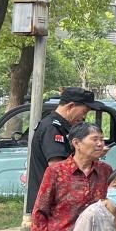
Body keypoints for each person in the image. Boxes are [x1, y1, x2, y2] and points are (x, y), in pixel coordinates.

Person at [26, 86, 94, 214]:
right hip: (51, 205)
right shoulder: (52, 128)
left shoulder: (63, 126)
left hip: (60, 201)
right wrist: (88, 155)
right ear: (71, 106)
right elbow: (58, 168)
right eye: (84, 111)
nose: (84, 117)